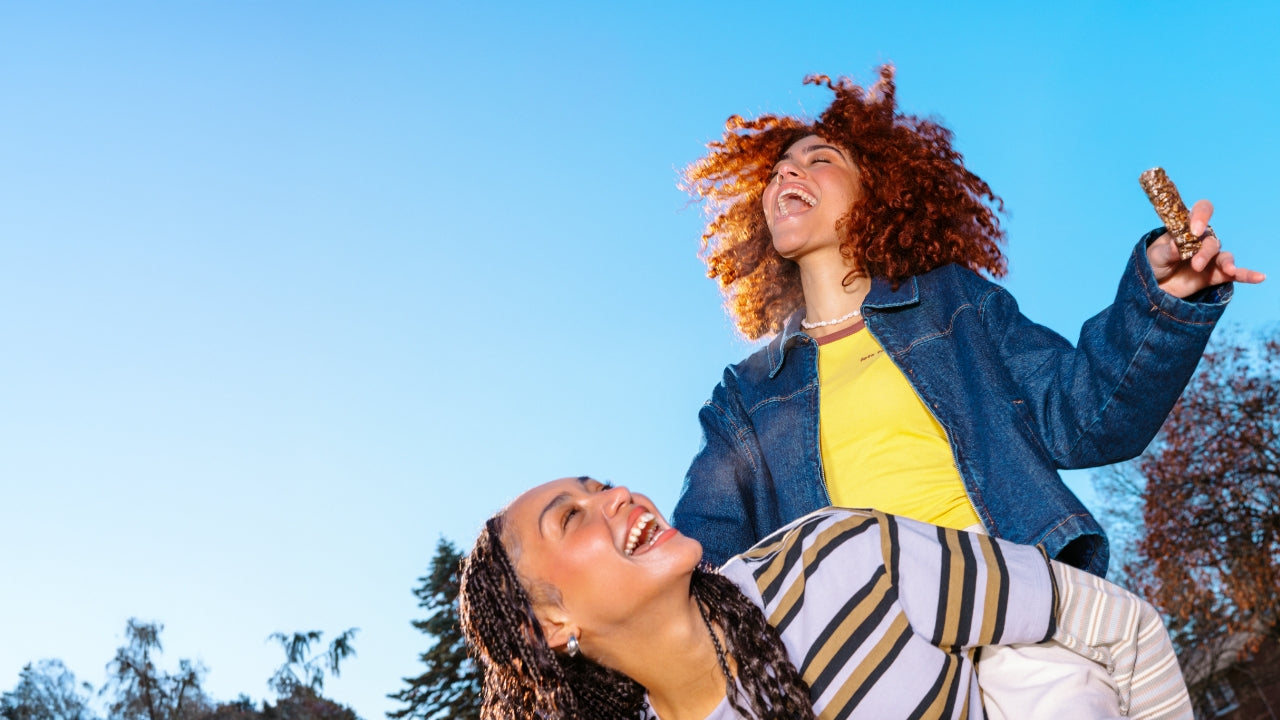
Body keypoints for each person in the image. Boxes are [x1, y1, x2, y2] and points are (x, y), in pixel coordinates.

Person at [672, 65, 1265, 575]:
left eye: (817, 160)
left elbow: (1082, 416)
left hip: (1013, 594)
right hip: (865, 651)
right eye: (777, 171)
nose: (786, 175)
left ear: (876, 192)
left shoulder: (955, 304)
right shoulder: (745, 398)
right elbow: (706, 556)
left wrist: (1161, 298)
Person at [458, 476, 1193, 719]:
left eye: (597, 483)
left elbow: (1123, 628)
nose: (615, 494)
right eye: (571, 516)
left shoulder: (836, 559)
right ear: (552, 624)